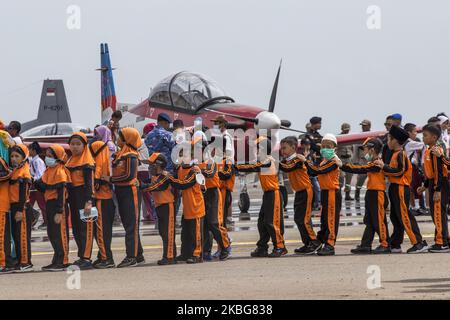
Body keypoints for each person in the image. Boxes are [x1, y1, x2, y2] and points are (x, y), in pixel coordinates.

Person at [373, 125, 428, 254]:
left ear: (395, 140)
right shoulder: (395, 154)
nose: (387, 142)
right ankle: (396, 243)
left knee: (404, 216)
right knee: (395, 217)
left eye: (389, 139)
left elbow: (399, 171)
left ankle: (418, 243)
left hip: (401, 188)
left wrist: (384, 167)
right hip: (394, 187)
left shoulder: (401, 154)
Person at [236, 136, 287, 258]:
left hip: (273, 194)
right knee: (262, 222)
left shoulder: (268, 160)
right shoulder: (264, 160)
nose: (256, 151)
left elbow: (253, 167)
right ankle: (262, 247)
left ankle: (280, 247)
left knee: (271, 222)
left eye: (257, 148)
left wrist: (235, 166)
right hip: (267, 194)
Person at [103, 128, 145, 268]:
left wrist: (110, 179)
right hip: (122, 192)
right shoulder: (121, 154)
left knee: (131, 225)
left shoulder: (131, 155)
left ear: (127, 139)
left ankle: (131, 257)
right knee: (129, 224)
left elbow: (129, 176)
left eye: (120, 136)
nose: (117, 138)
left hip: (130, 192)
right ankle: (138, 255)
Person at [341, 138, 390, 254]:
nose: (364, 152)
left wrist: (343, 165)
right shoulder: (373, 162)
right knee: (369, 221)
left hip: (377, 193)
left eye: (365, 149)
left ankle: (385, 244)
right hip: (371, 193)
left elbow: (361, 169)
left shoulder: (377, 163)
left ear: (372, 150)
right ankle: (366, 244)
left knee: (378, 221)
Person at [279, 136, 321, 254]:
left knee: (304, 219)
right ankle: (307, 243)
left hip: (306, 191)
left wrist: (275, 163)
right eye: (281, 149)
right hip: (299, 191)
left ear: (293, 147)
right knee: (298, 219)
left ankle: (314, 242)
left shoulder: (297, 160)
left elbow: (287, 168)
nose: (282, 151)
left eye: (284, 148)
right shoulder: (289, 160)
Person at [304, 134, 342, 256]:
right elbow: (313, 171)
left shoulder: (333, 161)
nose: (325, 148)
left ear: (334, 148)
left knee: (331, 220)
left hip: (332, 192)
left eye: (328, 146)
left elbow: (317, 171)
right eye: (323, 146)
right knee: (324, 220)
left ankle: (330, 245)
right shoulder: (325, 160)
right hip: (325, 192)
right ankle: (322, 241)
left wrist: (306, 161)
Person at [35, 145, 71, 271]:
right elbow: (44, 187)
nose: (47, 158)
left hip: (57, 205)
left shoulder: (60, 171)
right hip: (50, 203)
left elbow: (61, 193)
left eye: (50, 156)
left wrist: (60, 211)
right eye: (47, 156)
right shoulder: (49, 171)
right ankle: (56, 259)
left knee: (59, 233)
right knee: (52, 233)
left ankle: (62, 260)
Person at [168, 141, 205, 264]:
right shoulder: (179, 169)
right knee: (185, 233)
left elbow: (184, 184)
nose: (182, 158)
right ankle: (185, 253)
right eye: (181, 155)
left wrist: (170, 178)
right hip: (187, 207)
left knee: (196, 233)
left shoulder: (195, 170)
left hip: (196, 207)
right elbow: (175, 180)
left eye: (185, 155)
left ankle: (197, 254)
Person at [66, 132, 96, 269]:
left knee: (86, 228)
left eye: (78, 144)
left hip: (85, 198)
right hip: (74, 197)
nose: (75, 147)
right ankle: (81, 255)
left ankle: (86, 258)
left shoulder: (87, 162)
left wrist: (89, 201)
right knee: (77, 229)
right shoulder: (70, 161)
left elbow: (89, 184)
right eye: (72, 144)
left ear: (84, 146)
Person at [140, 153, 177, 265]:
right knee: (162, 232)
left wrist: (140, 185)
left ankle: (170, 257)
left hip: (167, 206)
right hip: (160, 206)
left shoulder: (165, 176)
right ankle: (169, 255)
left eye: (152, 165)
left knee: (168, 233)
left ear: (159, 165)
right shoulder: (154, 176)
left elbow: (154, 186)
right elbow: (148, 182)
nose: (149, 167)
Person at [418, 125, 449, 252]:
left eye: (425, 135)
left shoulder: (436, 151)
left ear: (434, 137)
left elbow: (439, 172)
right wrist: (425, 186)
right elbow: (431, 173)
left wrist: (437, 190)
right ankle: (444, 239)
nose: (423, 138)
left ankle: (441, 243)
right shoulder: (428, 150)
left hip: (439, 185)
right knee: (436, 214)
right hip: (433, 183)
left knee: (438, 214)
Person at [199, 151, 231, 262]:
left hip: (213, 193)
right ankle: (206, 251)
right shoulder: (195, 163)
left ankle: (226, 246)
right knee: (205, 224)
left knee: (214, 222)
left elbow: (210, 173)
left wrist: (199, 171)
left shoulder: (211, 162)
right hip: (202, 193)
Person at [89, 141, 116, 268]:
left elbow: (95, 182)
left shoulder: (98, 164)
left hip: (101, 201)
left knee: (101, 231)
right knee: (104, 232)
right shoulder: (107, 161)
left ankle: (107, 259)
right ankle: (102, 256)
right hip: (107, 201)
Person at [9, 144, 33, 272]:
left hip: (22, 207)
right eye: (12, 156)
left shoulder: (24, 172)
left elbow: (24, 194)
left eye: (17, 156)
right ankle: (19, 260)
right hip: (13, 206)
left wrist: (20, 210)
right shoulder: (14, 171)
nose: (13, 159)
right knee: (17, 236)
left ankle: (26, 262)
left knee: (23, 236)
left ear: (23, 157)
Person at [403, 123, 427, 214]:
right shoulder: (410, 143)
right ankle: (415, 207)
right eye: (415, 131)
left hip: (408, 167)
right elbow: (424, 146)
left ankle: (414, 206)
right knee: (414, 186)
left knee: (413, 186)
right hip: (411, 168)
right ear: (409, 133)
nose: (416, 133)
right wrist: (423, 162)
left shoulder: (404, 142)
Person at [0, 129, 14, 273]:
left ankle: (3, 262)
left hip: (2, 204)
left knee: (2, 235)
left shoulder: (1, 162)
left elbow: (5, 175)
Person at [28, 142, 47, 228]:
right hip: (33, 185)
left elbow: (40, 174)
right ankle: (32, 218)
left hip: (37, 185)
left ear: (34, 150)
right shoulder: (33, 160)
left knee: (42, 204)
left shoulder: (38, 161)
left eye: (30, 149)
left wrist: (33, 179)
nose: (29, 151)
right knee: (29, 203)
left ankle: (46, 221)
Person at [337, 123, 354, 200]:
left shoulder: (351, 138)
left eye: (347, 130)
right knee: (341, 177)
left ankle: (347, 194)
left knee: (349, 178)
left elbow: (352, 149)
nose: (346, 131)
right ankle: (339, 193)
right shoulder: (338, 138)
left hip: (349, 160)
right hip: (341, 160)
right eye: (345, 130)